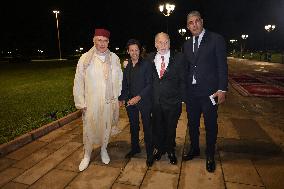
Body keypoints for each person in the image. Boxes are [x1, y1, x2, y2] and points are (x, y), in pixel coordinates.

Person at [182, 11, 228, 172]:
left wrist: (222, 89)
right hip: (191, 93)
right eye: (190, 23)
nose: (194, 25)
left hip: (210, 93)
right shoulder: (187, 44)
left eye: (196, 21)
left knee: (210, 125)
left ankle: (210, 154)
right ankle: (194, 149)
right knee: (192, 124)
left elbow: (222, 66)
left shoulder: (216, 39)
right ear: (187, 26)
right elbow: (187, 69)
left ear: (202, 21)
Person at [73, 28, 123, 171]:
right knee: (89, 129)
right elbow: (78, 81)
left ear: (108, 42)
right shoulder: (85, 58)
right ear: (94, 40)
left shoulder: (114, 58)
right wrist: (80, 102)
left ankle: (103, 149)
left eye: (105, 41)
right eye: (99, 40)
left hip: (109, 101)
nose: (102, 43)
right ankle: (87, 154)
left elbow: (119, 78)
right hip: (91, 102)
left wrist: (117, 96)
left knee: (106, 127)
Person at [147, 32, 186, 165]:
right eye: (160, 42)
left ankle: (170, 150)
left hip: (173, 102)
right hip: (156, 102)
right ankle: (160, 149)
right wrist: (127, 63)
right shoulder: (149, 58)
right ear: (155, 44)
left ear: (169, 43)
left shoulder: (179, 57)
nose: (163, 45)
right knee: (158, 127)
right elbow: (140, 69)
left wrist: (181, 98)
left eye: (166, 42)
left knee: (171, 128)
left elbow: (183, 79)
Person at [119, 39, 154, 167]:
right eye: (132, 50)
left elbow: (150, 84)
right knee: (133, 126)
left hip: (144, 100)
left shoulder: (147, 64)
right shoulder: (127, 65)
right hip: (130, 101)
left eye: (136, 50)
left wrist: (139, 97)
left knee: (147, 127)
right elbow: (124, 84)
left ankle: (150, 154)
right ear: (128, 51)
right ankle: (135, 148)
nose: (134, 52)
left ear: (140, 50)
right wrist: (122, 98)